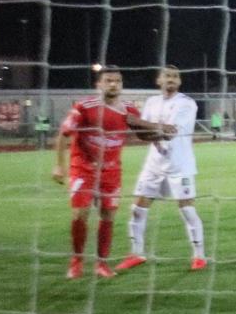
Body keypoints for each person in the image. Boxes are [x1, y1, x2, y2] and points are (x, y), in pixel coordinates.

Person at [54, 67, 164, 279]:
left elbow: (142, 134)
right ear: (99, 84)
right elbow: (64, 134)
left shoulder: (128, 111)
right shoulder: (84, 107)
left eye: (117, 81)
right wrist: (59, 166)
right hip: (83, 168)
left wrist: (159, 136)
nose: (113, 84)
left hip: (111, 171)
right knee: (80, 214)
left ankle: (102, 264)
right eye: (108, 80)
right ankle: (77, 261)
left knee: (108, 215)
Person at [118, 65, 207, 272]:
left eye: (175, 76)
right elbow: (143, 135)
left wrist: (137, 122)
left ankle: (199, 256)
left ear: (180, 81)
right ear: (159, 80)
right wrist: (143, 125)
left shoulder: (186, 103)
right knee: (137, 209)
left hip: (180, 165)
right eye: (167, 76)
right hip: (154, 164)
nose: (171, 79)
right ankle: (136, 253)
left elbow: (170, 132)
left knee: (187, 209)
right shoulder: (151, 102)